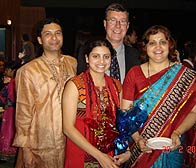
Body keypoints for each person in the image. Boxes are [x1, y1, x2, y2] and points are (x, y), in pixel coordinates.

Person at [115, 25, 196, 168]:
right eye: (152, 42)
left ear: (170, 45)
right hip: (141, 147)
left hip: (172, 146)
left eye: (163, 42)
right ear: (145, 47)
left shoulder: (184, 76)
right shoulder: (134, 73)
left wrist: (177, 132)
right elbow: (126, 113)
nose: (158, 47)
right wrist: (137, 138)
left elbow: (193, 112)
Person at [13, 18, 77, 168]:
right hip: (40, 143)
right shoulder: (27, 71)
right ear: (40, 40)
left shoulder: (72, 63)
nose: (54, 38)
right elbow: (23, 112)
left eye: (58, 33)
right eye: (48, 34)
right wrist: (26, 150)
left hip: (71, 139)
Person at [62, 38, 130, 168]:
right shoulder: (75, 85)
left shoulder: (116, 86)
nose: (101, 61)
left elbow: (121, 123)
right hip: (81, 153)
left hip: (109, 153)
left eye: (106, 57)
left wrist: (126, 151)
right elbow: (68, 128)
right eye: (96, 56)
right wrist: (100, 156)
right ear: (87, 58)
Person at [77, 3, 140, 83]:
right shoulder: (86, 51)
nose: (118, 26)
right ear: (105, 24)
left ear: (127, 26)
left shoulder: (136, 55)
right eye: (113, 20)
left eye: (122, 21)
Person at [0, 61, 20, 162]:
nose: (5, 71)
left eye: (8, 70)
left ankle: (8, 154)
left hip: (11, 111)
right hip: (12, 110)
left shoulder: (13, 82)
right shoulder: (13, 81)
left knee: (9, 130)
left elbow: (9, 98)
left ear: (13, 71)